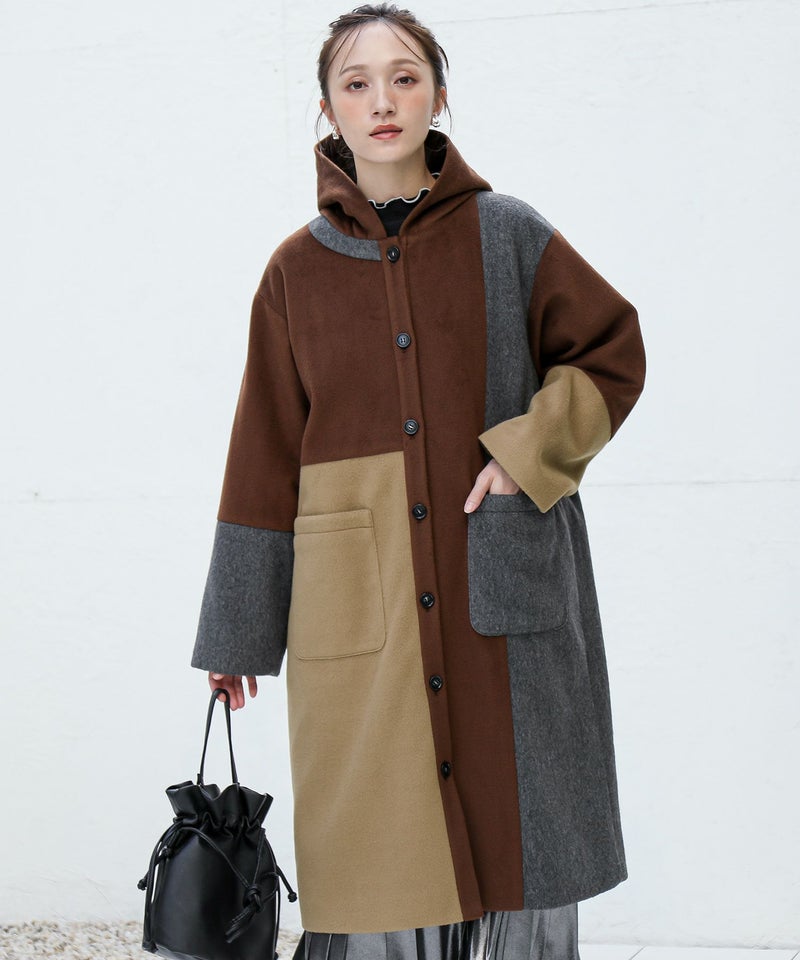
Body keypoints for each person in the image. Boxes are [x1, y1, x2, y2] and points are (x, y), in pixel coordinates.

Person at [191, 4, 645, 959]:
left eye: (404, 77)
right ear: (328, 109)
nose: (383, 101)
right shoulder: (294, 274)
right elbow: (264, 451)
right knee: (378, 864)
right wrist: (237, 629)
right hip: (365, 616)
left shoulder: (506, 233)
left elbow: (609, 349)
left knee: (524, 852)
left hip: (503, 603)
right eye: (356, 84)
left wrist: (527, 455)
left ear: (439, 95)